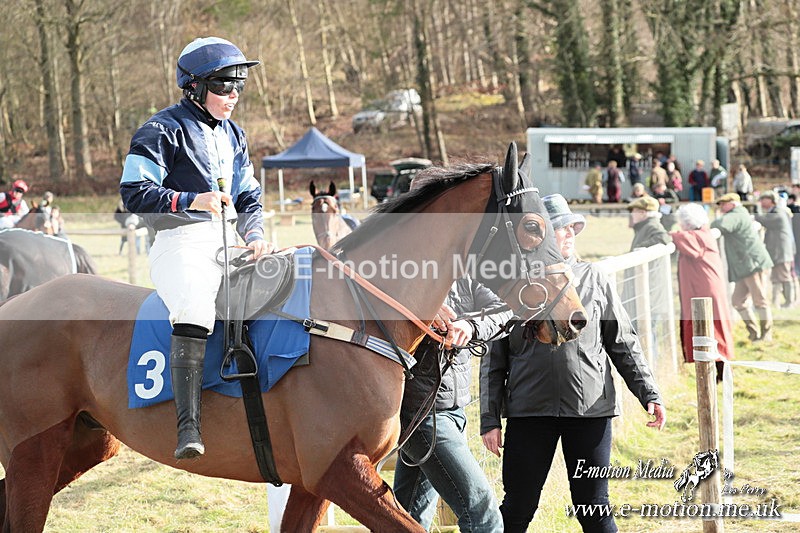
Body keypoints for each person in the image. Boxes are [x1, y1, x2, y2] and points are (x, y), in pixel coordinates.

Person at [119, 37, 275, 459]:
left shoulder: (234, 134)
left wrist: (256, 233)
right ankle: (188, 427)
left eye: (239, 85)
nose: (234, 95)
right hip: (180, 240)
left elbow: (250, 197)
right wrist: (191, 200)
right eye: (224, 85)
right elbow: (133, 192)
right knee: (194, 309)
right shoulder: (159, 129)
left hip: (229, 241)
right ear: (194, 86)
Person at [480, 193, 666, 533]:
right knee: (518, 506)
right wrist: (489, 419)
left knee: (593, 509)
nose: (568, 233)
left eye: (571, 227)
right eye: (559, 228)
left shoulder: (594, 278)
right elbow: (495, 359)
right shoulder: (515, 285)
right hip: (529, 413)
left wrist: (648, 393)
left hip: (590, 412)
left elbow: (621, 341)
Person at [393, 277, 510, 533]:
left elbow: (505, 311)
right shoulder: (400, 271)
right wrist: (421, 310)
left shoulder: (467, 276)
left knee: (408, 518)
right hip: (421, 414)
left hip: (454, 411)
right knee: (482, 513)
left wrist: (470, 326)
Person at [671, 203, 734, 377]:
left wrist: (671, 234)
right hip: (708, 286)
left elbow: (681, 239)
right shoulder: (704, 234)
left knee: (710, 327)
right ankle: (717, 369)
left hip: (704, 289)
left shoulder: (696, 237)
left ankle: (717, 370)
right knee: (713, 326)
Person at [711, 193, 773, 342]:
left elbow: (719, 225)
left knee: (760, 300)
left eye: (723, 204)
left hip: (752, 264)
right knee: (738, 301)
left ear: (732, 203)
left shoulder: (736, 214)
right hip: (746, 265)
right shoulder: (739, 213)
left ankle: (766, 334)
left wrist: (715, 219)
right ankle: (754, 333)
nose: (721, 207)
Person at [755, 191, 796, 308]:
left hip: (781, 250)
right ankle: (778, 302)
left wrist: (756, 208)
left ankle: (789, 303)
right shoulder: (776, 211)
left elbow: (763, 220)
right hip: (780, 250)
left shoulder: (778, 212)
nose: (762, 202)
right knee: (778, 277)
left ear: (770, 200)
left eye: (764, 199)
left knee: (783, 276)